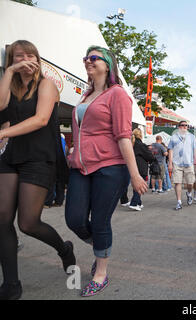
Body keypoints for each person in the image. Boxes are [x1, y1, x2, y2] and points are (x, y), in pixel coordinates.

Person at [65, 46, 148, 297]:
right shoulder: (85, 95)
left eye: (93, 58)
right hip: (81, 167)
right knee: (75, 219)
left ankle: (100, 273)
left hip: (110, 167)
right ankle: (102, 244)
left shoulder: (118, 94)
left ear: (108, 64)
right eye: (85, 58)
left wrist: (135, 175)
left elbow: (123, 136)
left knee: (101, 221)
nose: (88, 62)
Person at [0, 40, 75, 300]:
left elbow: (41, 119)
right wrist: (8, 73)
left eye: (30, 55)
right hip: (9, 157)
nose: (26, 60)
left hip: (38, 158)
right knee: (1, 218)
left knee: (28, 223)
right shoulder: (10, 85)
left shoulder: (47, 85)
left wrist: (3, 132)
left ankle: (64, 249)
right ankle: (11, 284)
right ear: (12, 60)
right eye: (19, 57)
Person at [168, 121, 196, 210]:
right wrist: (170, 163)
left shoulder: (192, 137)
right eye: (183, 125)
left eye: (186, 125)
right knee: (177, 182)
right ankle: (179, 201)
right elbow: (170, 150)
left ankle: (189, 193)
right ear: (179, 127)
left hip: (189, 163)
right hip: (177, 163)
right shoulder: (174, 137)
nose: (185, 127)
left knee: (190, 183)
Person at [129, 129, 155, 211]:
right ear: (140, 135)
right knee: (140, 185)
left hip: (132, 166)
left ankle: (138, 202)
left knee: (136, 185)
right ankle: (133, 203)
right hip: (141, 167)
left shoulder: (131, 144)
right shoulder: (141, 145)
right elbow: (150, 156)